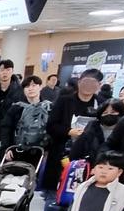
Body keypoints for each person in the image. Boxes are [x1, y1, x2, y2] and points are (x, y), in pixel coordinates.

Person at [45, 68, 107, 196]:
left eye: (93, 82)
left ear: (99, 85)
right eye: (86, 82)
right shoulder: (64, 101)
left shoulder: (101, 103)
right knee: (55, 196)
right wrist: (69, 131)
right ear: (79, 82)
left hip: (88, 157)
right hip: (62, 155)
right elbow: (51, 126)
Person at [3, 75, 53, 152]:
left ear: (40, 87)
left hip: (42, 151)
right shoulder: (17, 107)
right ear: (23, 90)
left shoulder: (49, 107)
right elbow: (6, 128)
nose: (30, 88)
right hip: (18, 150)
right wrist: (7, 148)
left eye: (34, 85)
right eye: (27, 86)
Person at [68, 99, 124, 164]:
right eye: (105, 112)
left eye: (113, 112)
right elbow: (75, 153)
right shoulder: (91, 128)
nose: (109, 114)